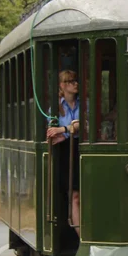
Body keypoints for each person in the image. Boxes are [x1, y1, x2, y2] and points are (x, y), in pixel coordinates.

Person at [45, 70, 81, 228]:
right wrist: (70, 130)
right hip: (66, 153)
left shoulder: (84, 103)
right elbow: (51, 131)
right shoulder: (55, 108)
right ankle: (80, 237)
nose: (75, 84)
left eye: (76, 81)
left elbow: (85, 123)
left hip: (82, 149)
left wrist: (63, 130)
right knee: (74, 195)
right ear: (62, 85)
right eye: (70, 81)